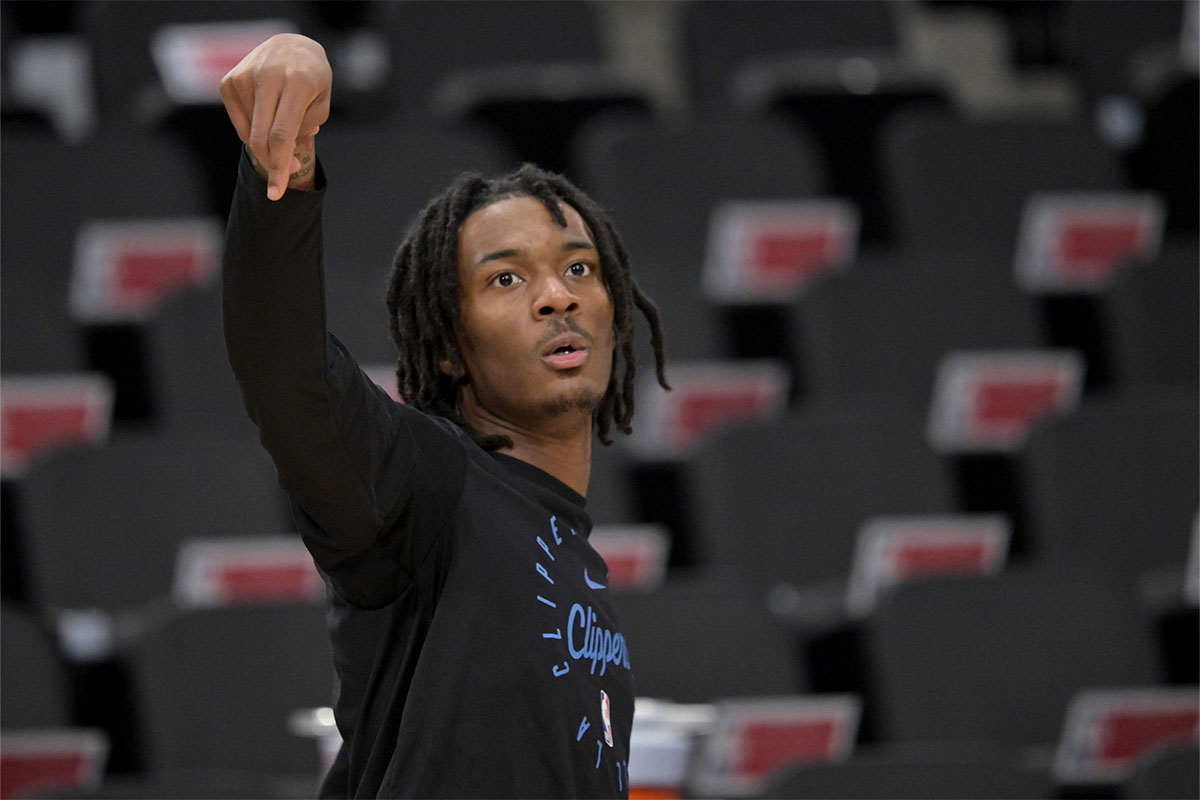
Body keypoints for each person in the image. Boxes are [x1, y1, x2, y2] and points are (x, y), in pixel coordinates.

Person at [219, 33, 669, 798]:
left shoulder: (572, 551)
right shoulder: (425, 484)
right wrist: (283, 174)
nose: (556, 295)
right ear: (451, 350)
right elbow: (286, 372)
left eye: (578, 267)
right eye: (505, 279)